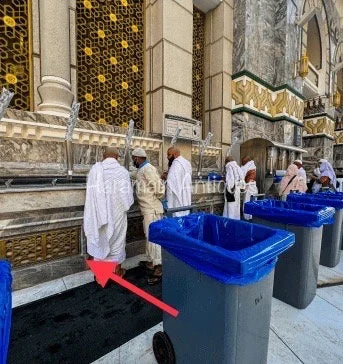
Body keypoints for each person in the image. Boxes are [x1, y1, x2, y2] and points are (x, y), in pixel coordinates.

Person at [84, 147, 134, 278]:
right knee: (117, 241)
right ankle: (117, 271)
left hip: (98, 216)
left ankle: (100, 273)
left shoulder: (95, 171)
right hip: (117, 214)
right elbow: (128, 199)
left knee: (100, 238)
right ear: (117, 157)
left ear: (103, 156)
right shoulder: (123, 172)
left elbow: (90, 196)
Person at [132, 147, 165, 285]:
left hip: (152, 209)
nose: (133, 161)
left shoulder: (148, 169)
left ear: (138, 158)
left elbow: (159, 188)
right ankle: (152, 262)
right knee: (149, 236)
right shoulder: (142, 170)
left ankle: (159, 268)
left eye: (134, 158)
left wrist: (156, 199)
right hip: (147, 209)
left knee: (154, 239)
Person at [165, 147, 192, 217]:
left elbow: (170, 184)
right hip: (187, 197)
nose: (167, 157)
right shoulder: (187, 163)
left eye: (169, 155)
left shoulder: (175, 165)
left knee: (178, 218)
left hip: (177, 200)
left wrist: (169, 205)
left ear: (175, 154)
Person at [241, 156, 258, 220]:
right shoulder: (253, 166)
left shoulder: (246, 167)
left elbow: (241, 176)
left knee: (247, 202)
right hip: (254, 186)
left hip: (249, 186)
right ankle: (251, 216)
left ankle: (247, 217)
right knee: (253, 202)